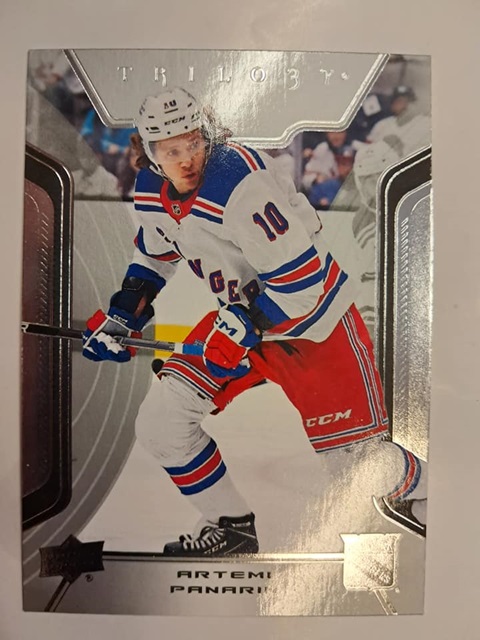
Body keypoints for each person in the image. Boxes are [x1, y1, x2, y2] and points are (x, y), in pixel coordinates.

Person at [82, 87, 427, 556]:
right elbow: (155, 255)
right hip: (239, 321)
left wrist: (246, 324)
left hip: (313, 328)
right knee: (162, 424)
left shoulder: (239, 181)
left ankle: (437, 493)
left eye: (193, 143)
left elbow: (303, 283)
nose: (186, 160)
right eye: (171, 151)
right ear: (149, 151)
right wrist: (124, 315)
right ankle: (231, 526)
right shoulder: (150, 188)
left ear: (207, 135)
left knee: (357, 468)